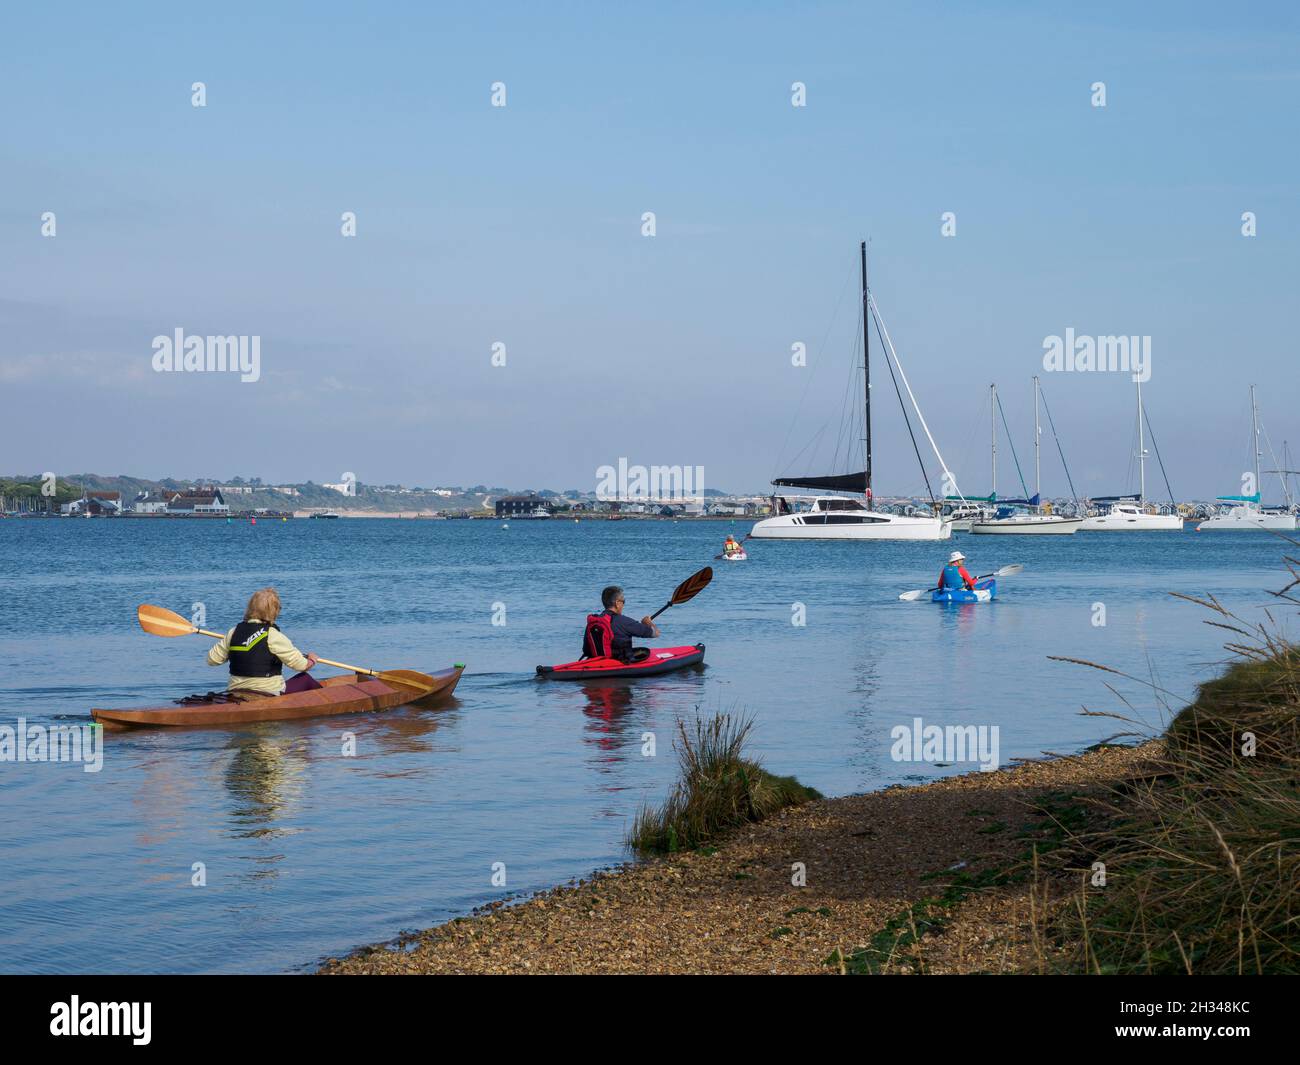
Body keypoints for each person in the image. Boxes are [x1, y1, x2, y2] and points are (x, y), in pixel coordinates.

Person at [207, 587, 321, 695]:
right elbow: (301, 665)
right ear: (274, 611)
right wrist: (312, 660)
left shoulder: (234, 632)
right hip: (267, 693)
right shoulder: (273, 635)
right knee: (306, 679)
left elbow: (212, 659)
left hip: (235, 690)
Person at [583, 585, 660, 662]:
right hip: (620, 663)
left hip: (595, 662)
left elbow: (586, 650)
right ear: (617, 603)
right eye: (623, 601)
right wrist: (648, 623)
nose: (623, 605)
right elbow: (655, 633)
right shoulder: (624, 622)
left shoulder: (594, 621)